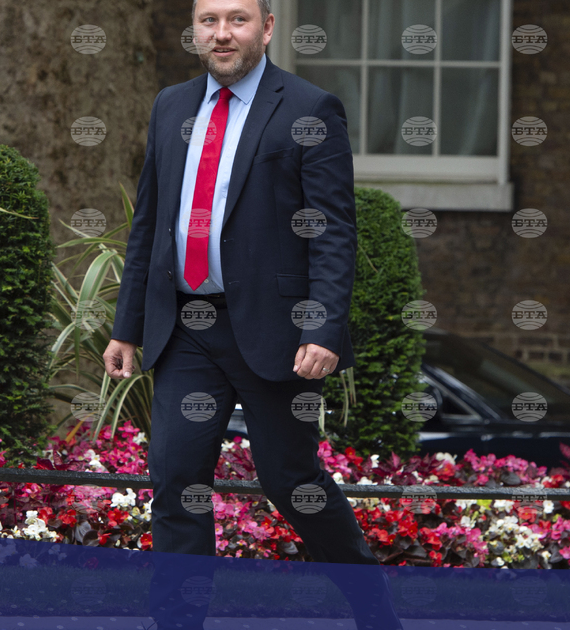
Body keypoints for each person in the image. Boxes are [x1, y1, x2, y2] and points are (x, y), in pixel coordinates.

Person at [102, 0, 403, 628]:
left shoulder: (310, 109)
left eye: (237, 20)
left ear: (267, 28)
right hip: (185, 328)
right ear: (194, 29)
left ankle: (375, 610)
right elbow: (149, 223)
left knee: (293, 481)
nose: (221, 33)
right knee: (176, 479)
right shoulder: (171, 106)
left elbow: (332, 231)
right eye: (209, 20)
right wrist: (126, 326)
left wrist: (322, 327)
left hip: (276, 333)